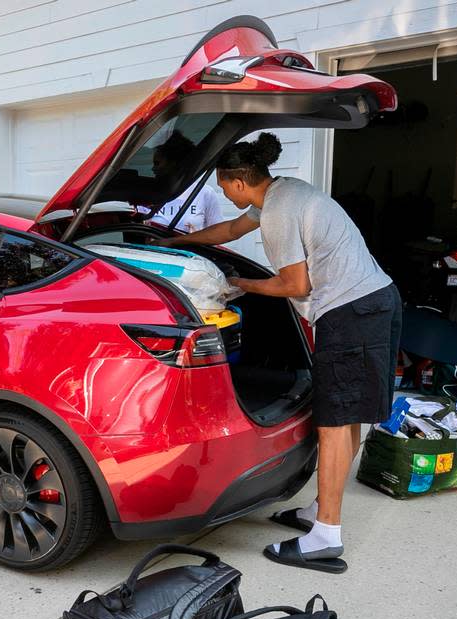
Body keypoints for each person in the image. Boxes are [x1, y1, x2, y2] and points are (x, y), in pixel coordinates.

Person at [160, 133, 401, 574]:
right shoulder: (282, 192)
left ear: (235, 182)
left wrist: (238, 285)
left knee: (333, 421)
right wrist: (181, 245)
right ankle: (320, 510)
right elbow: (232, 230)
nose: (224, 193)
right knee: (347, 416)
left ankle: (326, 535)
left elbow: (295, 286)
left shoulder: (278, 211)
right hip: (373, 300)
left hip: (352, 313)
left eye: (222, 185)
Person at [150, 138, 225, 233]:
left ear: (174, 164)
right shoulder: (148, 193)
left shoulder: (204, 193)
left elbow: (217, 233)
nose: (153, 169)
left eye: (157, 163)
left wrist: (196, 239)